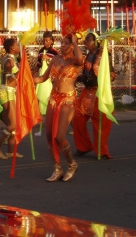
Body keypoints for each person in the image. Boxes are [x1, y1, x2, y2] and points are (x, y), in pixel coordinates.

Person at [33, 34, 83, 181]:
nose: (63, 45)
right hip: (54, 99)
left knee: (59, 136)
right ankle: (57, 168)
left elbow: (80, 59)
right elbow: (42, 78)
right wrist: (27, 80)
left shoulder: (75, 62)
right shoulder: (55, 59)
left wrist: (75, 41)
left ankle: (72, 164)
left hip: (67, 100)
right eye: (62, 43)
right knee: (49, 135)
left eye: (67, 43)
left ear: (73, 46)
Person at [73, 32, 116, 159]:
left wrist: (104, 80)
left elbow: (111, 74)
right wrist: (80, 77)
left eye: (88, 40)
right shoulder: (88, 55)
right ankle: (83, 146)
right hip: (87, 91)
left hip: (98, 92)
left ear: (95, 42)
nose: (85, 42)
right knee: (77, 117)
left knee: (101, 123)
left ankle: (101, 151)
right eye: (85, 40)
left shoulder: (103, 55)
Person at [0, 38, 23, 160]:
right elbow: (9, 79)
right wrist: (21, 73)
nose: (18, 46)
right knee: (13, 124)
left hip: (8, 92)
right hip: (6, 92)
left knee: (13, 123)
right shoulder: (9, 61)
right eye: (16, 45)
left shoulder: (9, 58)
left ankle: (10, 151)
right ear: (12, 48)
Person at [35, 31, 58, 137]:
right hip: (42, 78)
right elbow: (38, 65)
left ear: (52, 41)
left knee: (51, 102)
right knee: (40, 100)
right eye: (44, 40)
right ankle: (41, 126)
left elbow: (57, 64)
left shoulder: (54, 52)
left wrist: (48, 59)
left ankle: (56, 125)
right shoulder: (40, 51)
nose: (46, 42)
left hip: (50, 80)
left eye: (48, 40)